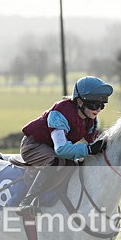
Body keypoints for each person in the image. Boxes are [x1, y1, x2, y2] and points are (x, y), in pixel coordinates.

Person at [16, 76, 113, 217]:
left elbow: (94, 141)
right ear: (79, 101)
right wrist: (88, 150)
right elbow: (61, 149)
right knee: (56, 162)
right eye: (94, 104)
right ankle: (26, 201)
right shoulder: (60, 112)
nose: (98, 109)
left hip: (51, 148)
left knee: (73, 164)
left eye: (102, 105)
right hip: (33, 146)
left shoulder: (90, 119)